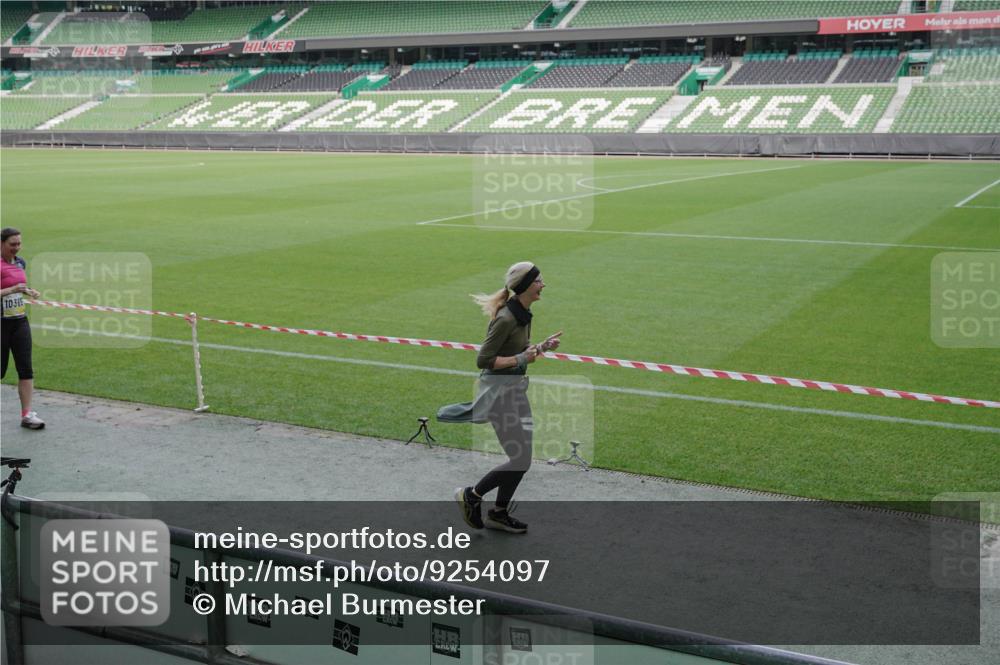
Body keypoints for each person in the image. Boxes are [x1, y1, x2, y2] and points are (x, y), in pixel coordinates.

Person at [448, 261, 561, 533]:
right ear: (525, 286)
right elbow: (484, 360)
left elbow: (518, 353)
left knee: (522, 458)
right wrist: (523, 357)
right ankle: (472, 495)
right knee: (520, 459)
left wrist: (541, 347)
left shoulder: (522, 313)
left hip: (515, 392)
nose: (543, 285)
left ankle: (498, 513)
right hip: (500, 396)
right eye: (538, 281)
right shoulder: (506, 318)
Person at [1, 227, 44, 429]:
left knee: (25, 368)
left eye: (19, 243)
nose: (16, 248)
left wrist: (28, 291)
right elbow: (10, 288)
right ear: (2, 244)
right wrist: (11, 289)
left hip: (19, 322)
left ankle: (27, 414)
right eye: (12, 244)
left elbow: (18, 286)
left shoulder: (20, 262)